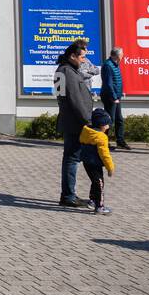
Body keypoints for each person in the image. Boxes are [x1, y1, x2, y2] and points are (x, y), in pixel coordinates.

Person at [54, 41, 95, 206]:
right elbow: (74, 100)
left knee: (71, 158)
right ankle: (69, 196)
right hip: (75, 122)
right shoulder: (66, 72)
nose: (84, 61)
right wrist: (88, 121)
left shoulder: (64, 71)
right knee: (72, 159)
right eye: (82, 57)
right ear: (72, 56)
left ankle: (68, 195)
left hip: (71, 120)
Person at [79, 107, 116, 215]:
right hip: (95, 163)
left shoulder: (86, 132)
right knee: (99, 183)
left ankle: (92, 201)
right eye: (107, 124)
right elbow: (105, 154)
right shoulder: (101, 137)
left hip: (86, 162)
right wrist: (110, 168)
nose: (108, 126)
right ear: (101, 125)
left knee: (94, 182)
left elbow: (81, 140)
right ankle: (100, 206)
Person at [99, 47, 132, 150]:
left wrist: (117, 96)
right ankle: (104, 141)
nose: (123, 56)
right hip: (110, 97)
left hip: (116, 96)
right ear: (117, 56)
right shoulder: (108, 65)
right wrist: (113, 97)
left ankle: (120, 141)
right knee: (109, 120)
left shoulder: (115, 64)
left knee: (119, 120)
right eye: (122, 54)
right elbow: (108, 83)